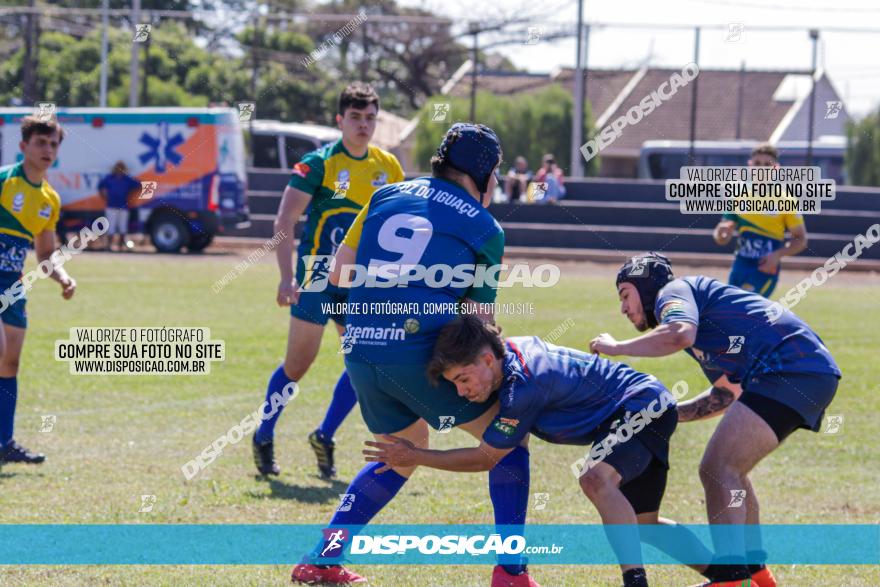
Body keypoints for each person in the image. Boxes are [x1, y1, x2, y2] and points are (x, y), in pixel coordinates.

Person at [291, 124, 539, 587]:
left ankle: (320, 559)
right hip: (421, 351)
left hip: (360, 349)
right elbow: (479, 324)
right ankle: (512, 571)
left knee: (401, 453)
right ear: (484, 173)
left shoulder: (386, 195)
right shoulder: (487, 227)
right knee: (508, 443)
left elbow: (340, 274)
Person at [365, 315, 721, 587]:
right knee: (646, 525)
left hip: (640, 405)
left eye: (462, 379)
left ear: (488, 360)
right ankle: (732, 575)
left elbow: (486, 458)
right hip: (645, 403)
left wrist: (416, 457)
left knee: (597, 480)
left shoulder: (523, 388)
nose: (461, 392)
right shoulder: (511, 359)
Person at [589, 252, 841, 587]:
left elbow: (679, 333)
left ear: (646, 288)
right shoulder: (702, 318)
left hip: (790, 370)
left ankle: (731, 579)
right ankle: (756, 575)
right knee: (732, 470)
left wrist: (616, 347)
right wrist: (664, 415)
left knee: (718, 468)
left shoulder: (672, 293)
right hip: (802, 372)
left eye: (625, 295)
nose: (623, 308)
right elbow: (725, 395)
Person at [251, 82, 404, 479]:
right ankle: (264, 433)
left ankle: (324, 434)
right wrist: (287, 278)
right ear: (340, 120)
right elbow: (284, 221)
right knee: (298, 365)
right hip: (317, 274)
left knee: (362, 361)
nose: (363, 125)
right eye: (355, 117)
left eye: (370, 118)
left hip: (358, 278)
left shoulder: (388, 166)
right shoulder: (318, 164)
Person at [0, 115, 77, 465]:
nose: (48, 149)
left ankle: (5, 443)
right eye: (41, 143)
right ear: (23, 147)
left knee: (10, 362)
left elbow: (45, 254)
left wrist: (62, 277)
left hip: (13, 283)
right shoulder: (4, 182)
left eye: (54, 144)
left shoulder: (49, 199)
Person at [712, 143, 807, 297]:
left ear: (775, 168)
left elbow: (801, 240)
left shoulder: (785, 200)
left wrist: (777, 255)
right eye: (757, 163)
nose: (761, 168)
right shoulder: (738, 195)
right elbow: (721, 236)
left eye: (767, 164)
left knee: (748, 312)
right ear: (750, 166)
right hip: (739, 266)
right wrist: (722, 233)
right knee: (729, 313)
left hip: (764, 269)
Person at [98, 161, 140, 251]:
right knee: (111, 227)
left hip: (123, 206)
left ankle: (121, 247)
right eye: (118, 167)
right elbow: (100, 186)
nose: (119, 169)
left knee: (122, 228)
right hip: (111, 205)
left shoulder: (127, 179)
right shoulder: (109, 178)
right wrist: (104, 194)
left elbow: (138, 184)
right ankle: (109, 246)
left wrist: (130, 193)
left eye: (121, 167)